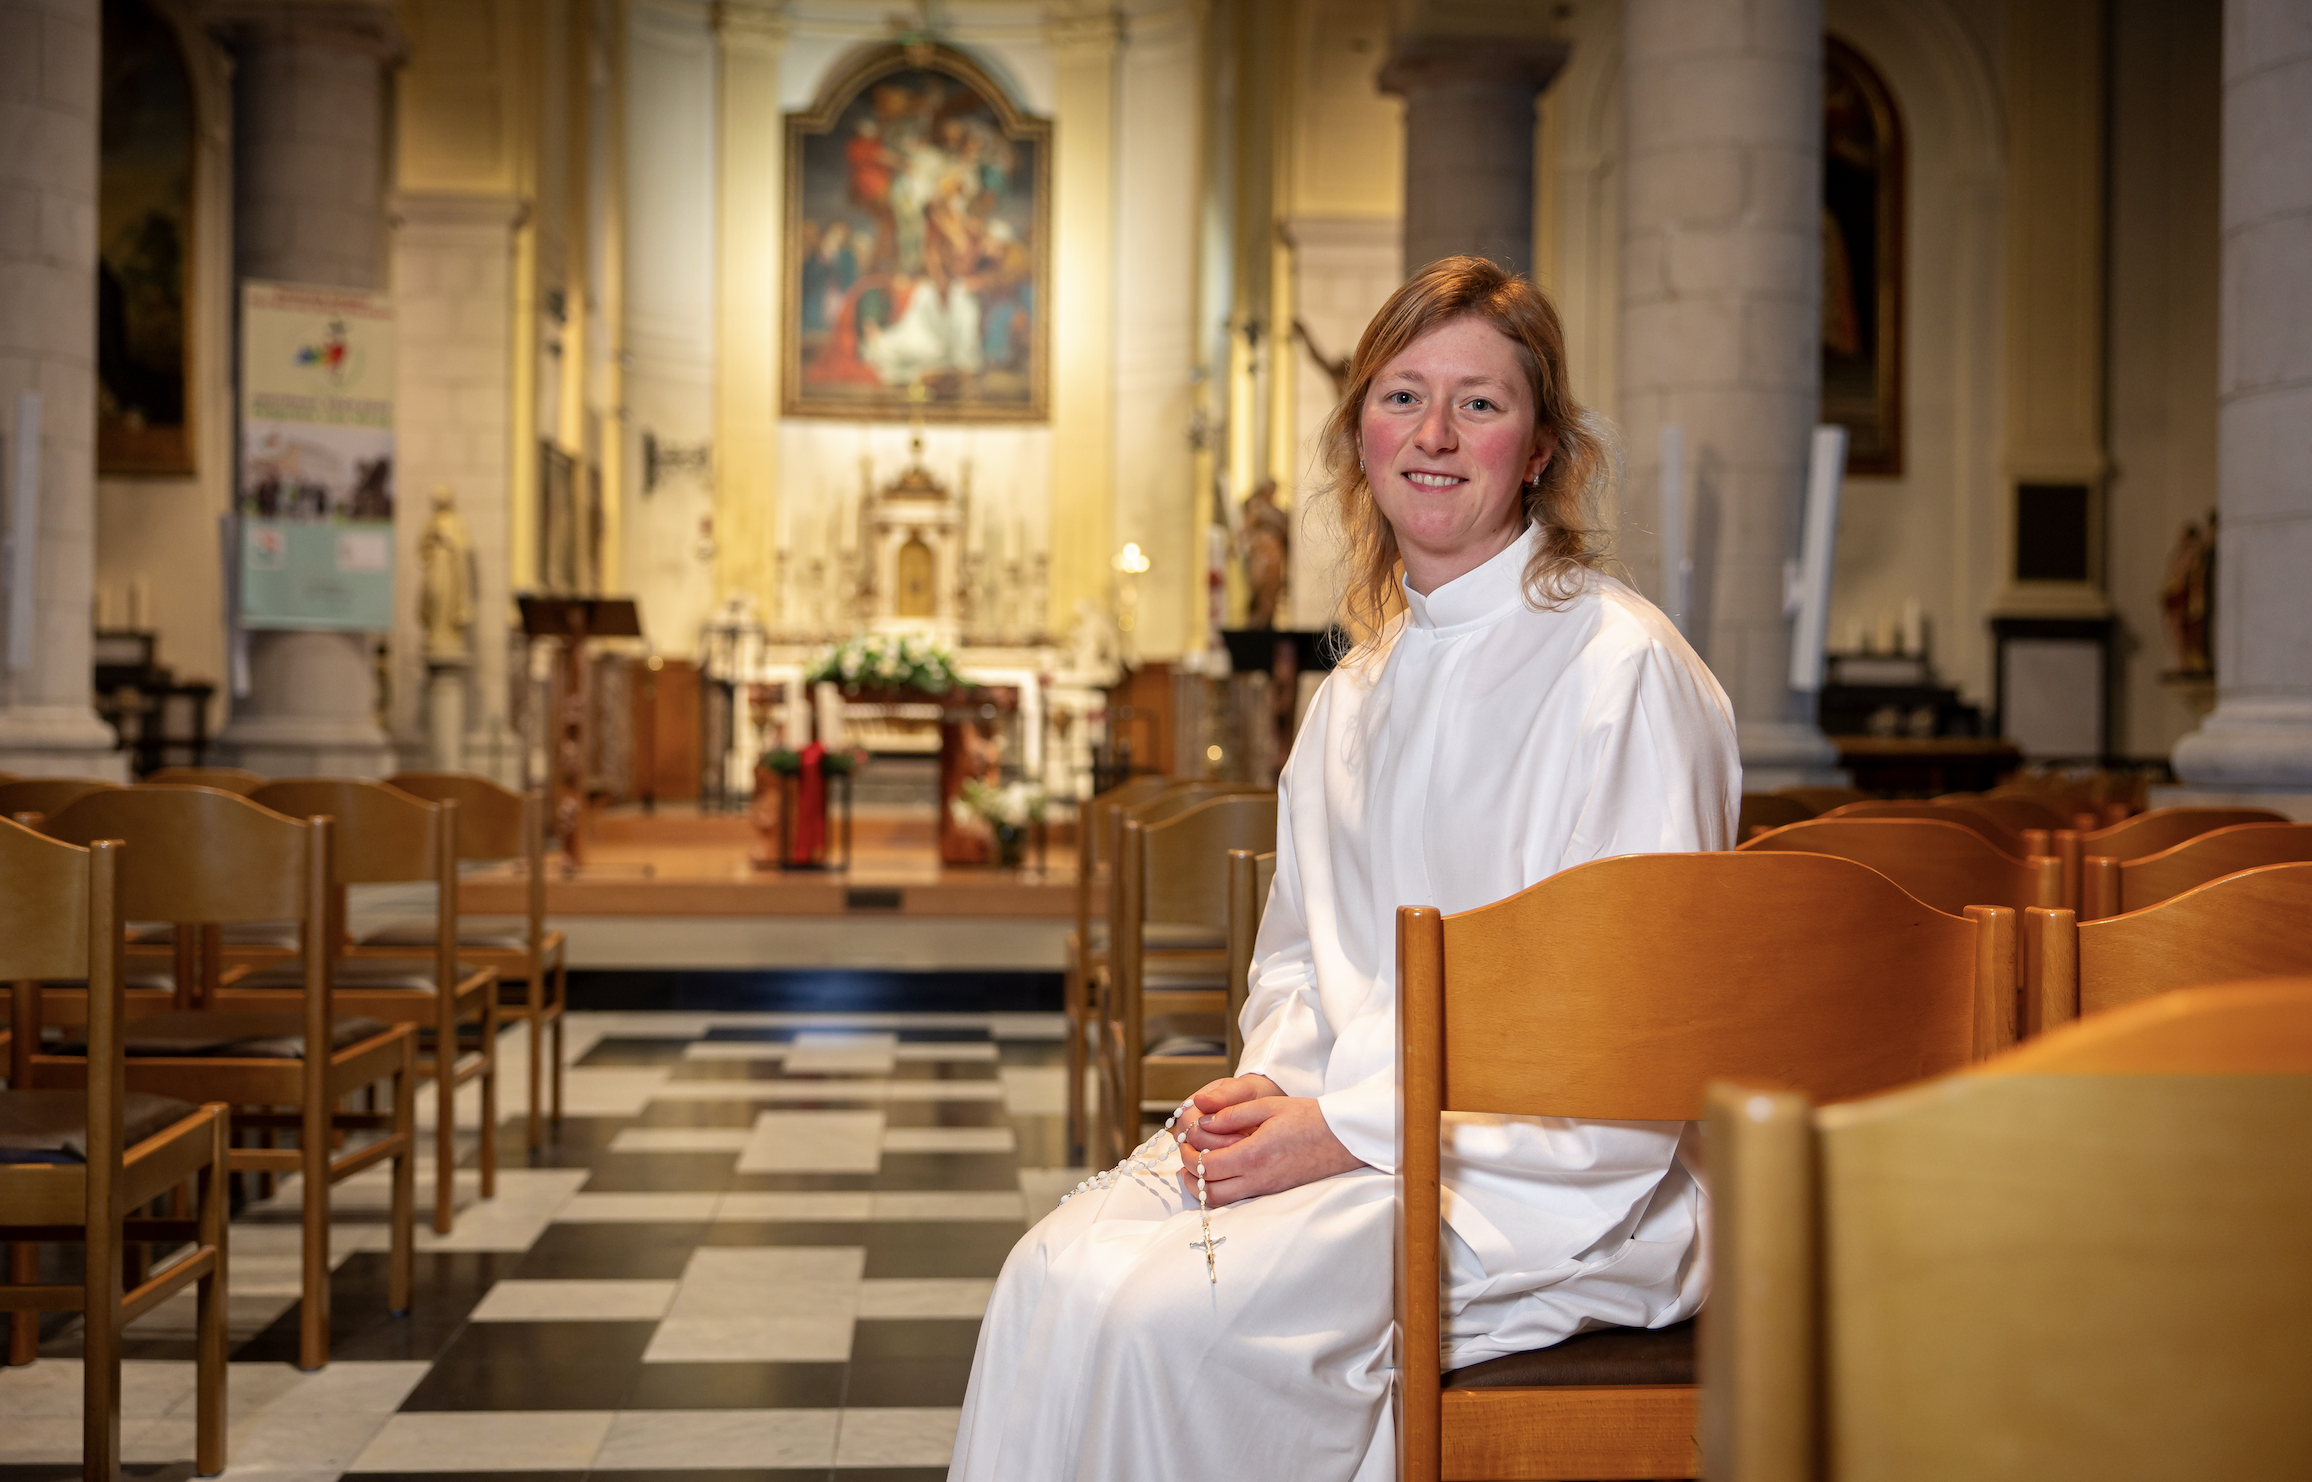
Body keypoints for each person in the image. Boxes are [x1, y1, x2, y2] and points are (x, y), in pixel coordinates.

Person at [950, 256, 1740, 1481]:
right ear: (1357, 430)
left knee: (1162, 1325)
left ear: (1538, 448)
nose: (1433, 434)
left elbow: (1621, 1041)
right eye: (1400, 396)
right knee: (1048, 1280)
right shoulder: (1354, 694)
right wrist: (1268, 1097)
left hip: (1552, 1186)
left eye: (1478, 403)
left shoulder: (1615, 671)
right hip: (1368, 1136)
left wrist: (1334, 1131)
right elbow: (1300, 967)